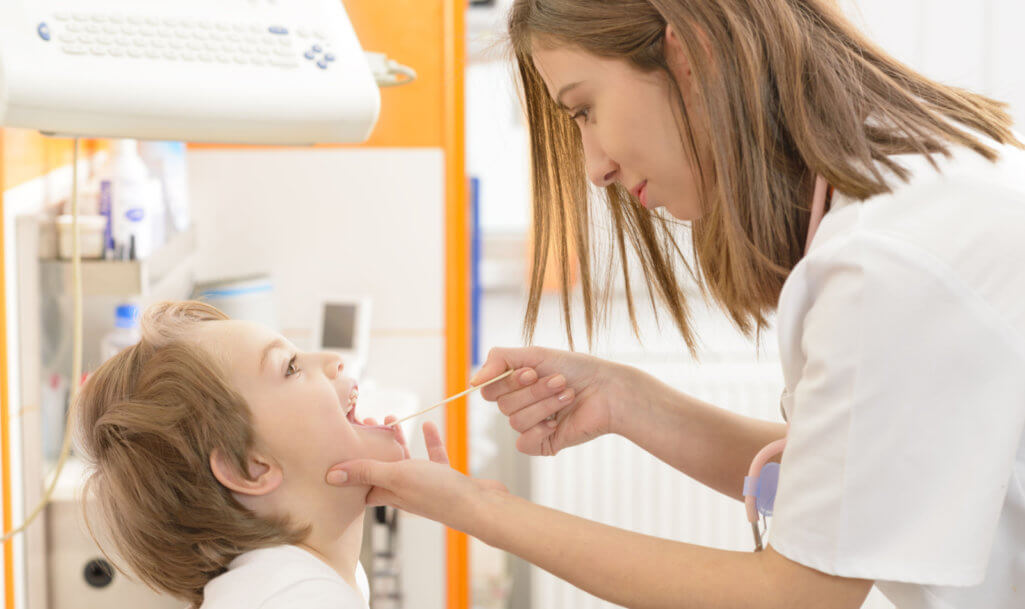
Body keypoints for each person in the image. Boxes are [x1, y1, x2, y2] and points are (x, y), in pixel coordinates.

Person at [325, 1, 1025, 608]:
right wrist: (626, 399)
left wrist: (473, 506)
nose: (593, 165)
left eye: (585, 110)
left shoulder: (891, 258)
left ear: (690, 54)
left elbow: (794, 592)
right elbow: (849, 484)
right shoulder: (904, 202)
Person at [75, 300, 442, 609]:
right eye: (292, 367)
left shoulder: (303, 582)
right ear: (249, 467)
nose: (334, 360)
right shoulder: (298, 598)